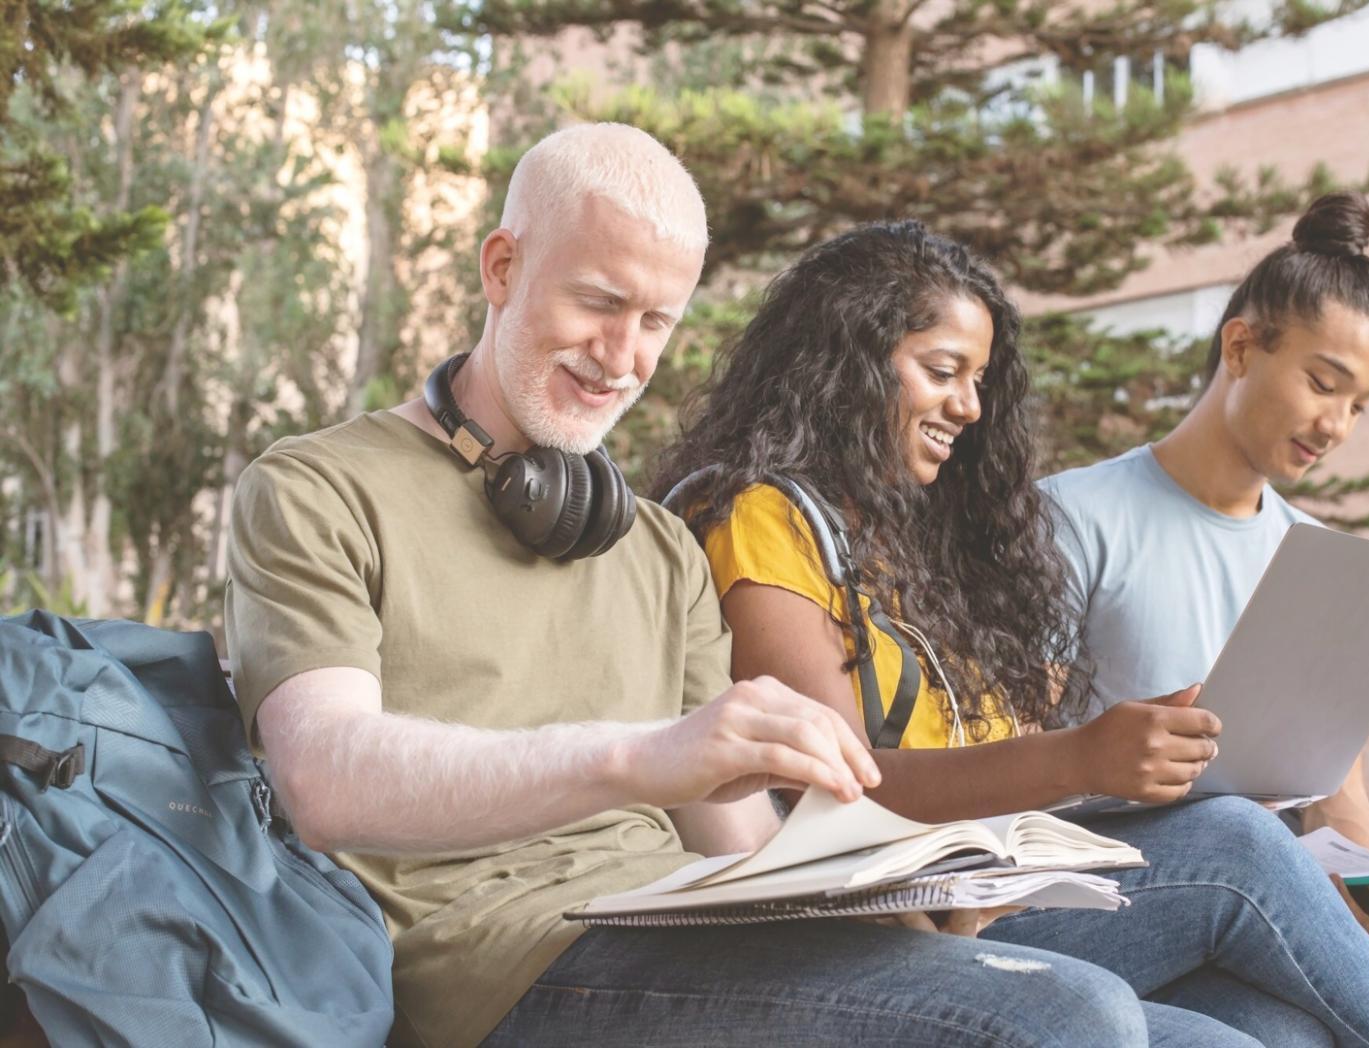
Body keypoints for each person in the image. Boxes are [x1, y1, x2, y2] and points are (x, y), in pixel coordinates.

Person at [224, 123, 1174, 1048]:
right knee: (1071, 1016)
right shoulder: (318, 487)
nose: (621, 355)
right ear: (502, 268)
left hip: (687, 924)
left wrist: (908, 903)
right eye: (599, 302)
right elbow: (325, 776)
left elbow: (738, 845)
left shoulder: (659, 548)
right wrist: (636, 755)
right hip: (498, 960)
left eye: (655, 323)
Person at [652, 217, 1369, 1047]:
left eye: (978, 380)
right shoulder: (763, 520)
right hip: (906, 928)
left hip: (1007, 897)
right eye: (943, 371)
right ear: (846, 363)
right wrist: (1084, 757)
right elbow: (845, 782)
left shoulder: (917, 547)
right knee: (1235, 840)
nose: (969, 406)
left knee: (1274, 1034)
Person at [1041, 190, 1369, 1047]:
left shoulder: (1316, 558)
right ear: (1240, 346)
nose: (1337, 425)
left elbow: (1333, 791)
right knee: (1235, 834)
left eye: (1361, 404)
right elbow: (990, 750)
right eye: (1323, 384)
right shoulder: (1071, 517)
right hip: (1102, 903)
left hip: (1259, 911)